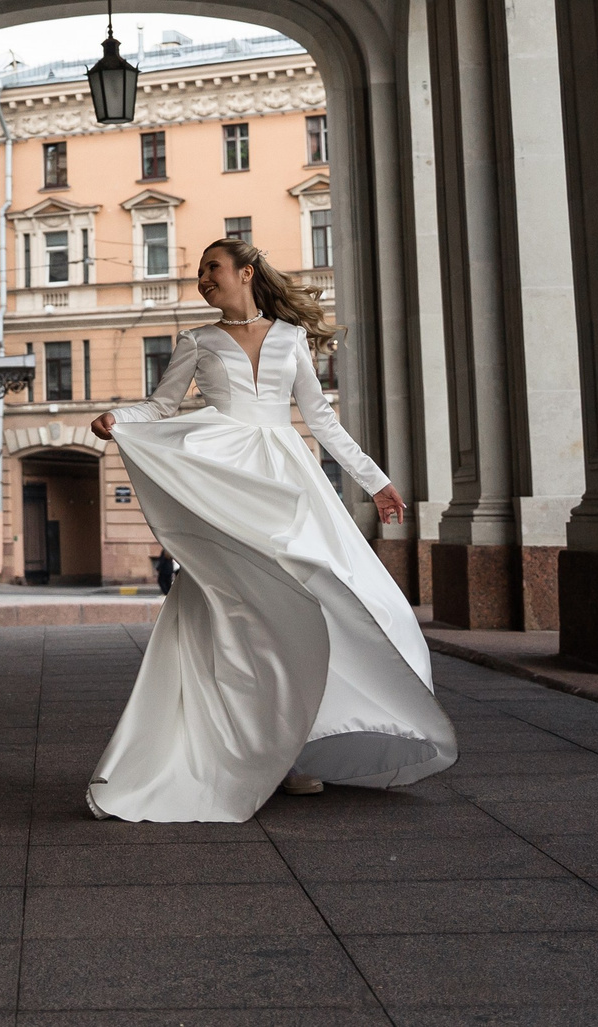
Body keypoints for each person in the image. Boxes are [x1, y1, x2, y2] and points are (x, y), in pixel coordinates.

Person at [86, 238, 455, 820]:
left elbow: (321, 419)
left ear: (246, 272)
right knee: (242, 613)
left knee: (324, 596)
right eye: (200, 271)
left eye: (212, 267)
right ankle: (252, 750)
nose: (202, 278)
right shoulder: (197, 340)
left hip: (287, 478)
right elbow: (161, 406)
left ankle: (302, 745)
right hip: (229, 481)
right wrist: (119, 418)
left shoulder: (290, 338)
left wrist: (376, 480)